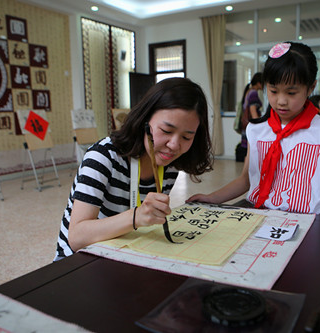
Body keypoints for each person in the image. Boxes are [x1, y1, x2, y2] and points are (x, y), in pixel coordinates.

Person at [187, 42, 320, 223]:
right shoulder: (257, 130)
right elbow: (246, 179)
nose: (281, 101)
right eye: (273, 91)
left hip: (308, 222)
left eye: (291, 93)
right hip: (258, 217)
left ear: (311, 87)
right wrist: (213, 198)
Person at [55, 78, 214, 261]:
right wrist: (136, 217)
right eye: (167, 131)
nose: (174, 145)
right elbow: (76, 237)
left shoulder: (168, 167)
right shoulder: (103, 156)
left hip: (122, 253)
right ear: (145, 121)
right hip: (78, 262)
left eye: (187, 137)